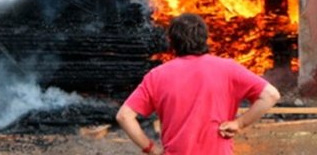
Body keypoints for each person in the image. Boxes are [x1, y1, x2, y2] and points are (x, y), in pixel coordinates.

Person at [116, 13, 281, 155]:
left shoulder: (157, 75)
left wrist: (151, 149)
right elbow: (271, 95)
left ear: (171, 41)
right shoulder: (229, 68)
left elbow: (124, 116)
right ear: (205, 38)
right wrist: (240, 123)